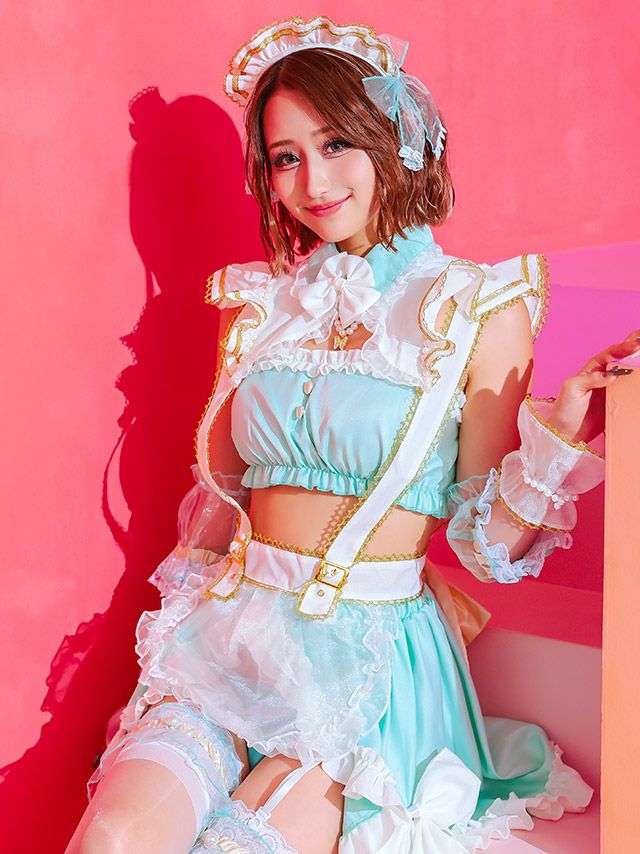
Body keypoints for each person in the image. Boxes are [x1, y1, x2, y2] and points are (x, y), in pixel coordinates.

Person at [67, 15, 639, 854]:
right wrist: (163, 661)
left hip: (365, 668)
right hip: (227, 640)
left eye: (335, 144)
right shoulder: (261, 304)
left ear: (393, 136)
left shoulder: (475, 305)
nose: (312, 181)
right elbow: (219, 512)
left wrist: (557, 437)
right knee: (113, 839)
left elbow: (485, 544)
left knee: (232, 847)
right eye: (286, 157)